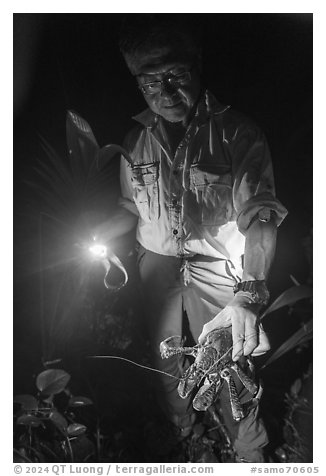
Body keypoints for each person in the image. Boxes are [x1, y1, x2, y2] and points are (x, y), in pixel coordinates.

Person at [95, 14, 288, 462]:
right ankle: (181, 424)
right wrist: (102, 231)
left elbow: (260, 213)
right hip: (157, 265)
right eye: (149, 82)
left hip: (219, 270)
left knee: (229, 363)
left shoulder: (238, 132)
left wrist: (250, 292)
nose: (165, 93)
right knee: (165, 355)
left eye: (175, 75)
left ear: (197, 63)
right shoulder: (135, 141)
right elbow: (130, 206)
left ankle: (248, 450)